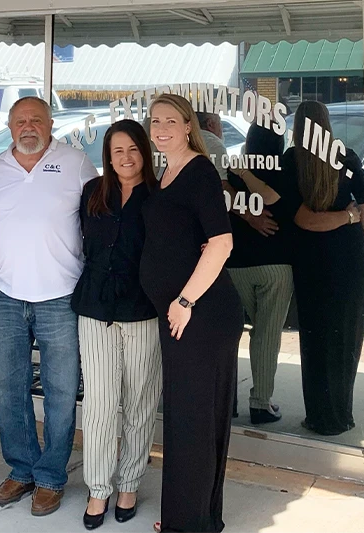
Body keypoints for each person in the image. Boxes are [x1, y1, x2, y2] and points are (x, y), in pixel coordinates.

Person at [0, 96, 99, 516]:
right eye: (20, 121)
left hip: (61, 297)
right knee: (5, 388)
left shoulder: (77, 164)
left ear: (51, 124)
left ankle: (50, 476)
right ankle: (21, 468)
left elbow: (99, 220)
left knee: (62, 391)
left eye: (36, 119)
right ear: (9, 126)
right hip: (8, 296)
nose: (27, 126)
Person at [140, 93, 244, 533]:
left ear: (188, 127)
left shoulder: (199, 171)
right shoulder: (167, 172)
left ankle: (190, 522)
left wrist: (184, 301)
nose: (160, 128)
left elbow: (221, 242)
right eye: (154, 121)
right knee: (188, 418)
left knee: (193, 419)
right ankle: (196, 516)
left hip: (200, 315)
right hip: (184, 317)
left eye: (170, 120)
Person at [72, 119, 162, 530]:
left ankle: (129, 482)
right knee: (101, 405)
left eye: (132, 149)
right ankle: (98, 487)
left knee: (140, 401)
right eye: (116, 151)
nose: (125, 158)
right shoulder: (93, 193)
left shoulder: (160, 197)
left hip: (143, 310)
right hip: (95, 309)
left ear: (145, 151)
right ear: (107, 156)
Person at [272, 101, 364, 436]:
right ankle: (343, 415)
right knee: (346, 340)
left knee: (314, 341)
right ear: (327, 124)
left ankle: (318, 416)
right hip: (350, 261)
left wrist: (339, 220)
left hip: (310, 263)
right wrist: (349, 218)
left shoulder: (290, 162)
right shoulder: (348, 157)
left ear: (297, 128)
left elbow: (305, 220)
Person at [224, 123, 294, 424]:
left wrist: (240, 175)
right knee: (266, 335)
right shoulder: (285, 169)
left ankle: (228, 401)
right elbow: (273, 200)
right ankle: (261, 403)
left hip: (235, 265)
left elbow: (223, 198)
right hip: (276, 266)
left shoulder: (231, 172)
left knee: (234, 333)